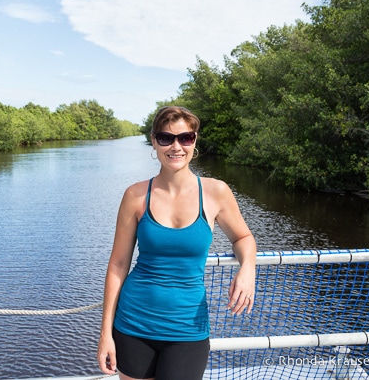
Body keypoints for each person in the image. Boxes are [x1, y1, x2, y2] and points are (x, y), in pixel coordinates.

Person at [97, 106, 256, 380]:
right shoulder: (135, 196)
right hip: (133, 323)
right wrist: (105, 334)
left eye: (185, 138)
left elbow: (243, 237)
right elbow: (118, 265)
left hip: (187, 327)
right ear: (154, 141)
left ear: (195, 141)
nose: (176, 146)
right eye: (166, 138)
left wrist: (248, 269)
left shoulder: (215, 192)